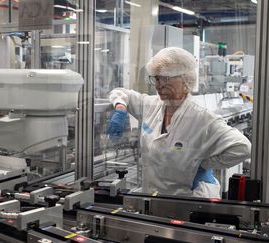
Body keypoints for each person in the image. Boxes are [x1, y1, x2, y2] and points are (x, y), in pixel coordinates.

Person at [106, 47, 251, 198]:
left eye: (165, 78)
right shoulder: (150, 105)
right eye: (156, 78)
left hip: (185, 200)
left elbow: (242, 148)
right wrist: (121, 108)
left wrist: (202, 164)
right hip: (150, 196)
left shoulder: (201, 118)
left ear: (185, 79)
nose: (158, 85)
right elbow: (119, 93)